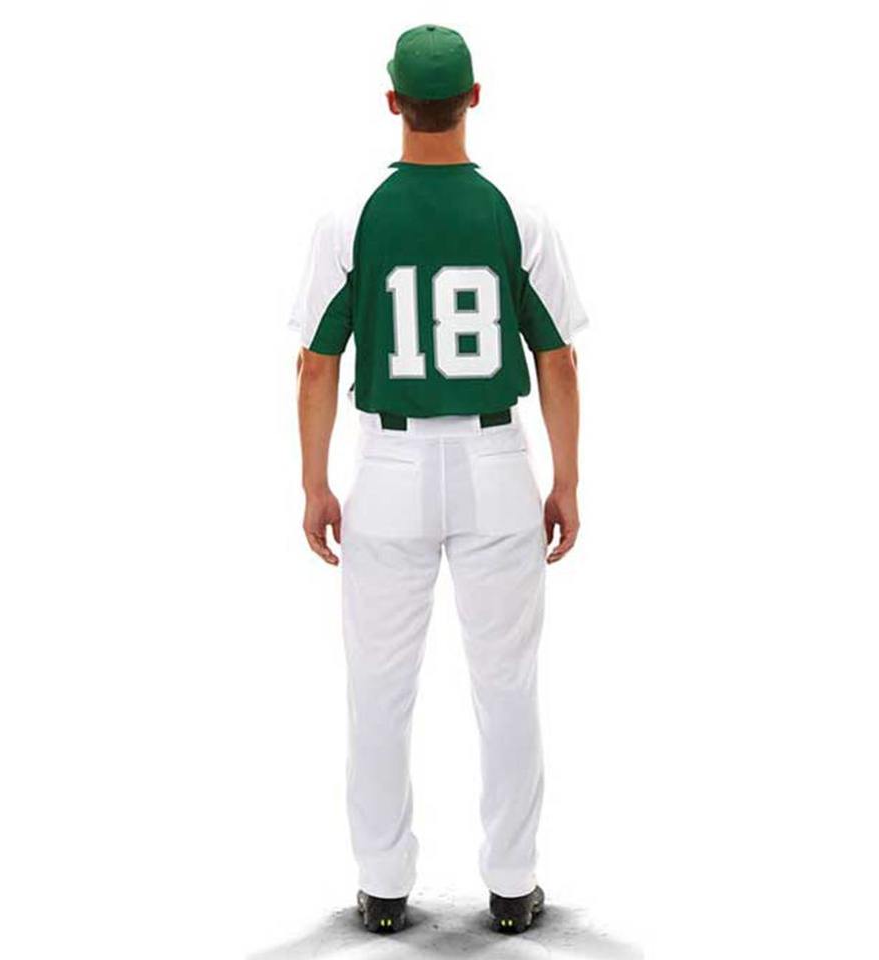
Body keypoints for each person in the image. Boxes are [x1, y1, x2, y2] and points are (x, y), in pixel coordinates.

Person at [290, 23, 587, 935]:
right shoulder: (518, 215)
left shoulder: (351, 218)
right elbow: (558, 359)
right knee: (508, 684)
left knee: (379, 686)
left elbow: (316, 363)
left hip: (389, 465)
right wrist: (567, 480)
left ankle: (384, 886)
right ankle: (512, 885)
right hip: (497, 463)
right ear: (474, 98)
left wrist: (314, 484)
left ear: (393, 102)